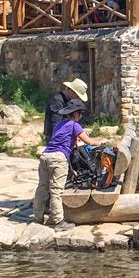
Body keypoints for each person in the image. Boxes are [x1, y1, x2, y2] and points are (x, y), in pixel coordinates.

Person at [34, 99, 95, 230]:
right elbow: (88, 141)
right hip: (58, 158)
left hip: (45, 156)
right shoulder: (74, 125)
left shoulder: (59, 124)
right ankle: (58, 222)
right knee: (56, 191)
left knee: (42, 188)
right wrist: (99, 143)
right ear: (75, 113)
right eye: (81, 113)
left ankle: (37, 217)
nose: (81, 116)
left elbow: (63, 139)